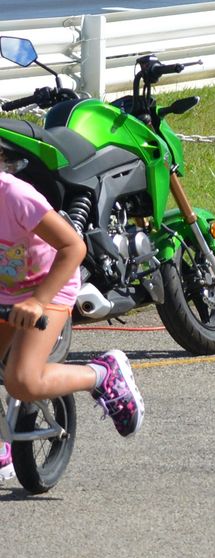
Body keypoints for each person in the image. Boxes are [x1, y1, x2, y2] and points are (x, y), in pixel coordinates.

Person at [1, 163, 145, 488]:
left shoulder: (15, 196)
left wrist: (38, 301)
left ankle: (103, 374)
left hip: (47, 287)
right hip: (5, 290)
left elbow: (73, 248)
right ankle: (2, 443)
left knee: (22, 381)